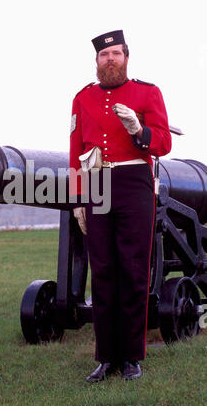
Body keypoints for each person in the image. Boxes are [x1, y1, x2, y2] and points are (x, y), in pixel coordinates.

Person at [69, 30, 171, 381]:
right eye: (103, 55)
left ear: (126, 56)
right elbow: (75, 151)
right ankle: (105, 358)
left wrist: (139, 131)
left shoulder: (148, 92)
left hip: (133, 182)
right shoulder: (82, 98)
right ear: (96, 62)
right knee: (103, 271)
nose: (109, 59)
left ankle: (131, 357)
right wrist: (78, 199)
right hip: (97, 182)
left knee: (133, 268)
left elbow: (164, 143)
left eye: (115, 53)